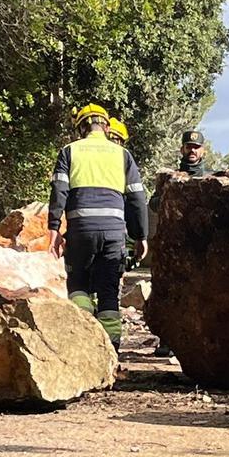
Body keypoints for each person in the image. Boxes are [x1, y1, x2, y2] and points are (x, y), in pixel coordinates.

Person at [47, 103, 149, 354]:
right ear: (105, 125)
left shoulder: (69, 151)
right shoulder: (122, 154)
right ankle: (111, 353)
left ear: (81, 127)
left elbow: (59, 190)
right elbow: (137, 198)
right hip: (114, 232)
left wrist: (53, 229)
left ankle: (82, 346)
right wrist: (140, 235)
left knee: (79, 284)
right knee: (108, 292)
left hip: (80, 230)